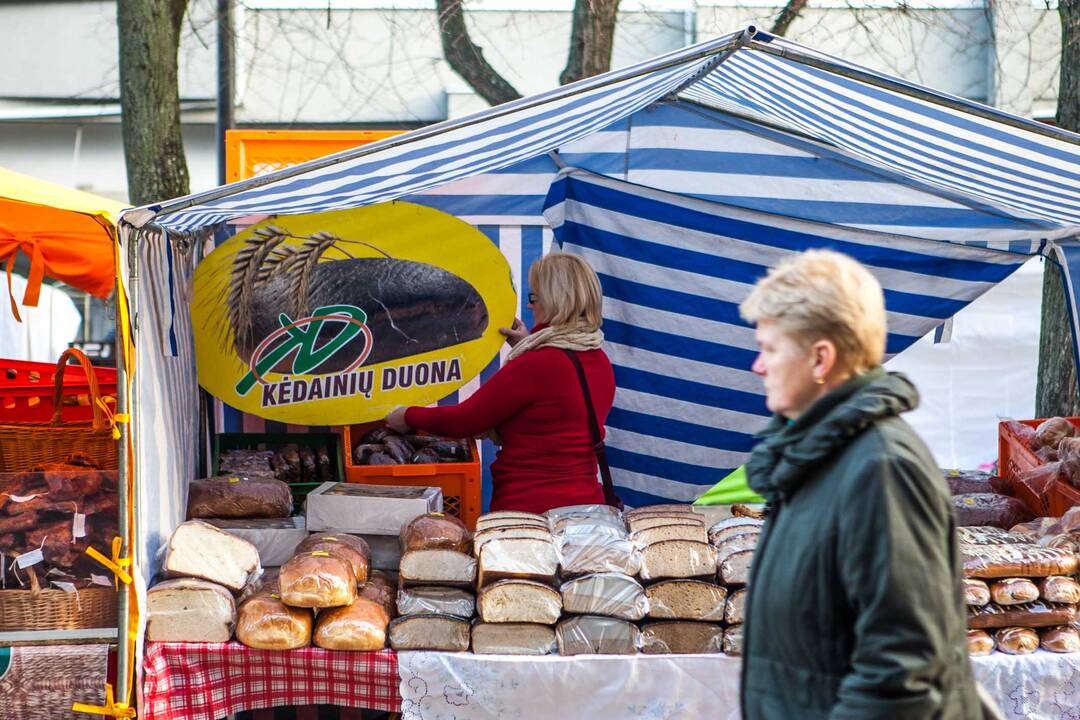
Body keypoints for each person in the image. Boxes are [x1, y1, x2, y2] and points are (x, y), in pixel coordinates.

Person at [738, 250, 980, 719]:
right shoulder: (819, 460)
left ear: (820, 358)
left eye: (770, 348)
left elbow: (902, 673)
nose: (758, 366)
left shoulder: (881, 469)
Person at [385, 252, 616, 514]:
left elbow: (465, 420)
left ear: (555, 301)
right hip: (587, 509)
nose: (530, 306)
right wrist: (528, 345)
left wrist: (408, 416)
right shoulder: (599, 359)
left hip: (532, 514)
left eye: (535, 297)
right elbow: (557, 405)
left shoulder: (539, 365)